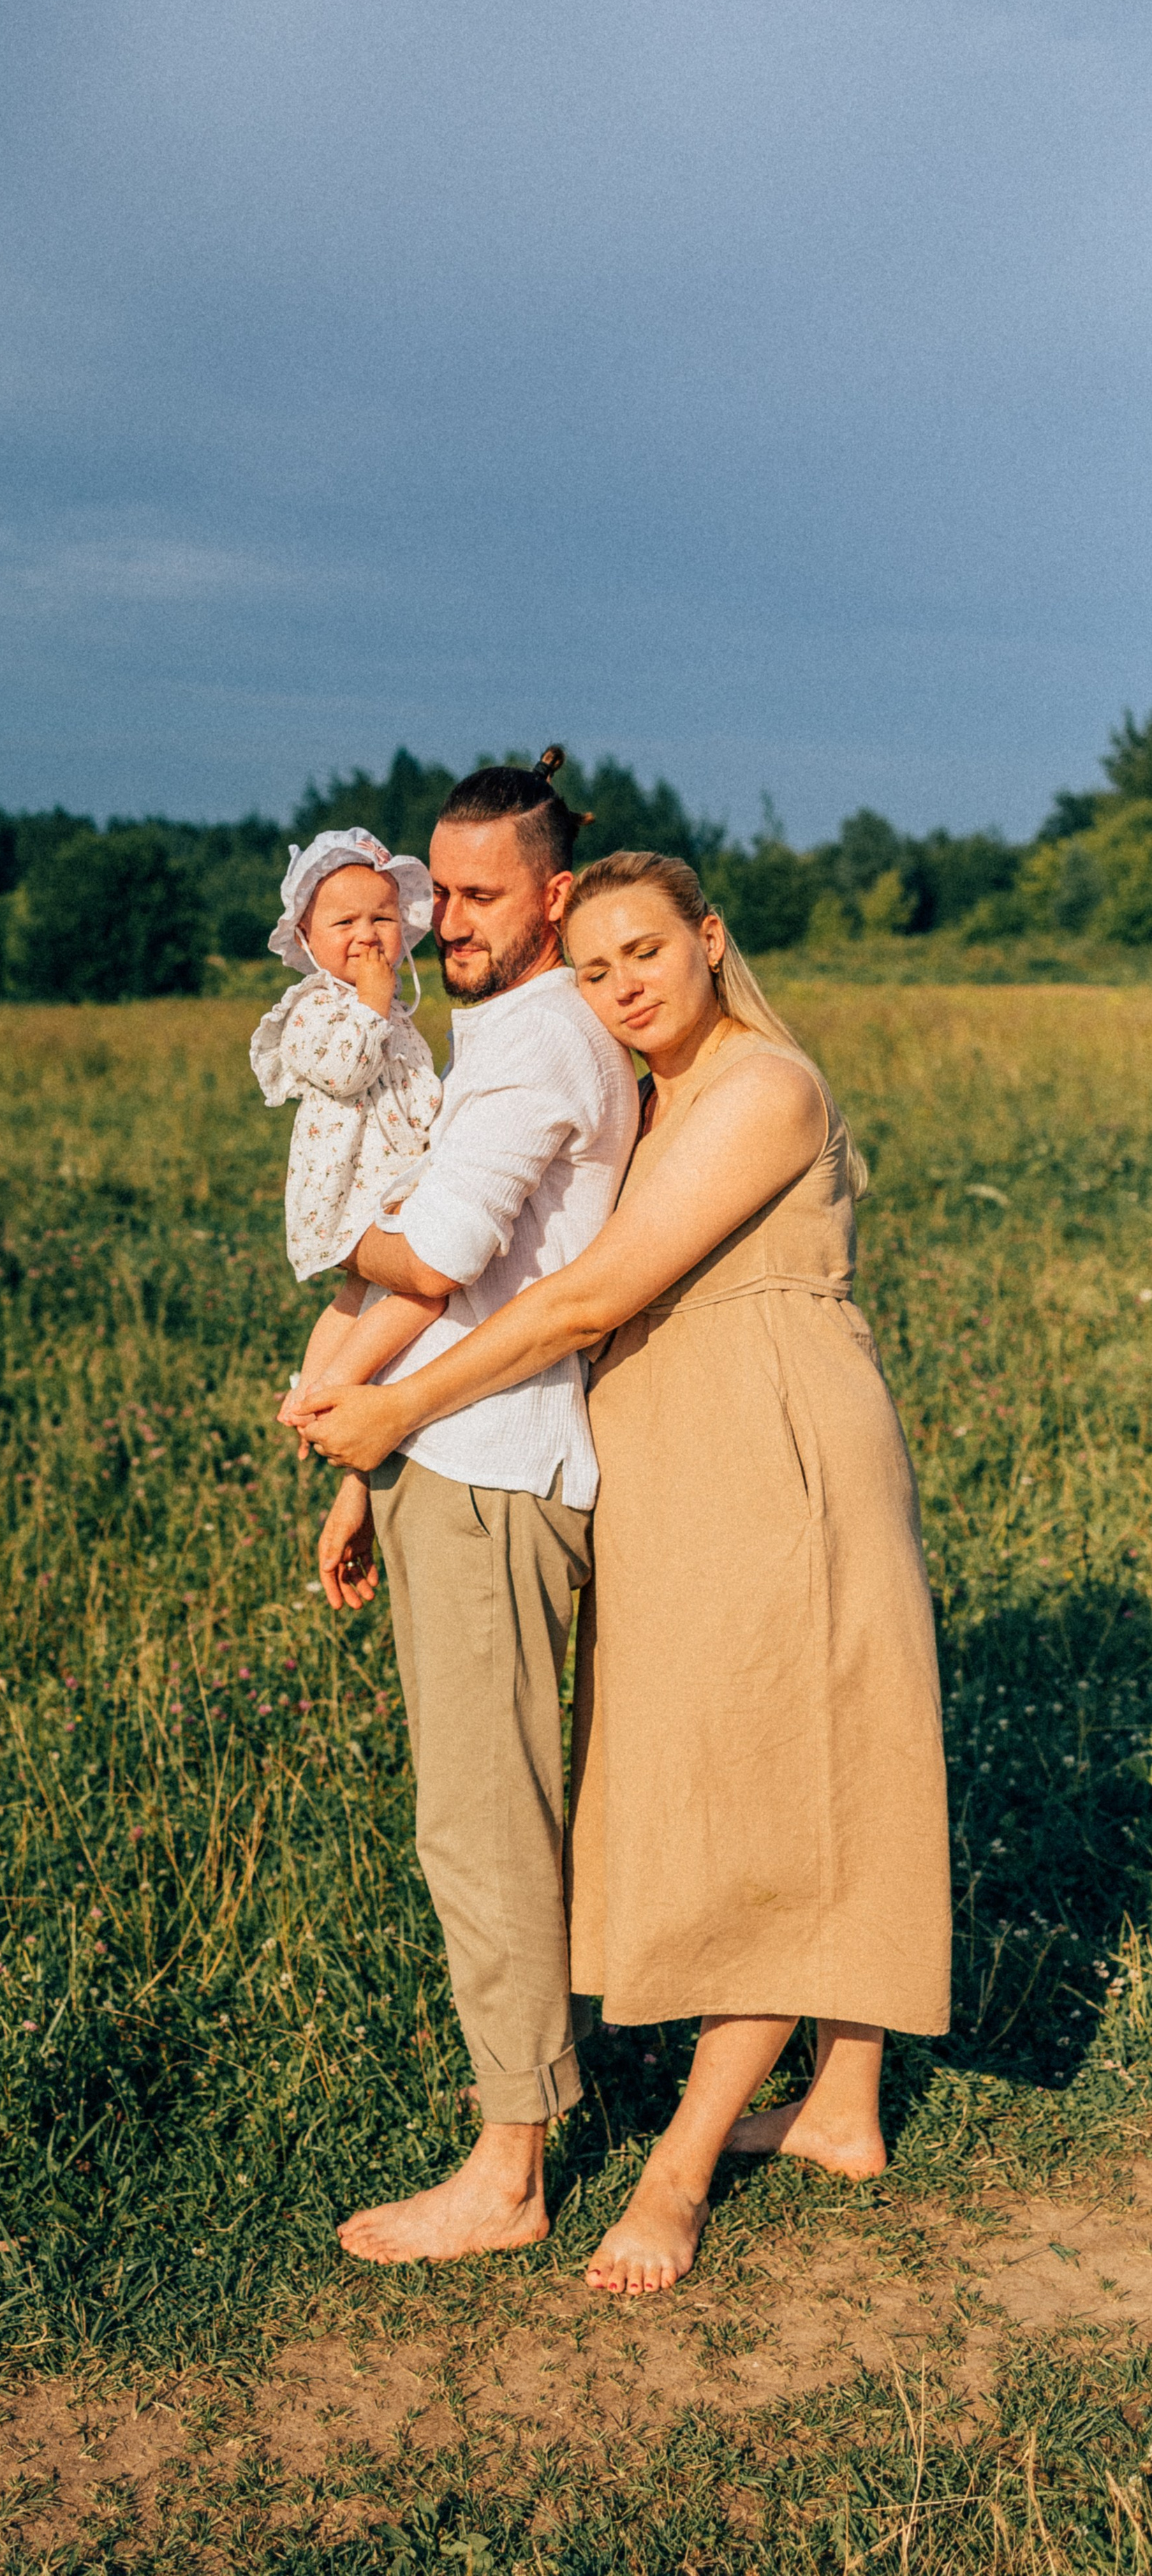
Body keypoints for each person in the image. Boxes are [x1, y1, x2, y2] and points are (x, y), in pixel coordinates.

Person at [298, 849, 952, 2295]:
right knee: (776, 1765)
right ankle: (839, 2109)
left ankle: (669, 2178)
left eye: (645, 954)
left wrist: (394, 1413)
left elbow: (591, 1294)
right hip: (687, 1469)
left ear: (709, 940)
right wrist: (361, 1461)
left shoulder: (761, 1088)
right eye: (593, 971)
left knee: (777, 1793)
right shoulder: (656, 1095)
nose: (622, 990)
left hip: (773, 1457)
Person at [293, 752, 640, 2265]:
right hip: (447, 1453)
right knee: (474, 1807)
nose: (446, 924)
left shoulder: (538, 1041)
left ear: (555, 894)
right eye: (442, 894)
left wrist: (329, 1332)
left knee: (483, 1820)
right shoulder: (504, 1031)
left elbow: (434, 1256)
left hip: (498, 1467)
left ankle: (508, 2171)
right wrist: (367, 1466)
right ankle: (522, 2116)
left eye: (482, 895)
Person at [251, 827, 446, 1400]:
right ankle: (332, 1391)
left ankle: (311, 1393)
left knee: (360, 1298)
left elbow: (414, 1088)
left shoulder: (390, 1009)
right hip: (348, 1190)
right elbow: (346, 1070)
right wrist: (371, 1001)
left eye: (382, 920)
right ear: (307, 938)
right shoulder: (312, 1009)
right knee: (424, 1289)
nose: (366, 936)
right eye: (345, 924)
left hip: (390, 1180)